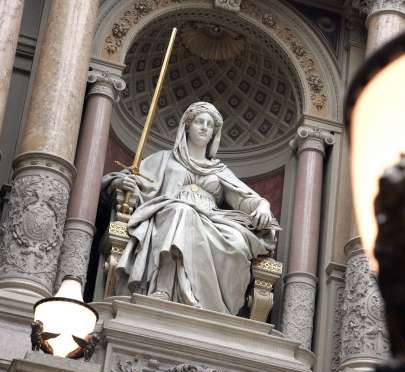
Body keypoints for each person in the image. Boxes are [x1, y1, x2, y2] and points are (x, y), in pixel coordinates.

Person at [103, 102, 279, 315]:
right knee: (182, 211)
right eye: (199, 122)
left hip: (211, 219)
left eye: (209, 125)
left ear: (214, 133)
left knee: (238, 243)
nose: (204, 127)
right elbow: (134, 181)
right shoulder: (165, 159)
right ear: (187, 126)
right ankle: (163, 288)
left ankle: (208, 304)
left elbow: (245, 199)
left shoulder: (219, 170)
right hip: (169, 210)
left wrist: (263, 204)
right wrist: (122, 182)